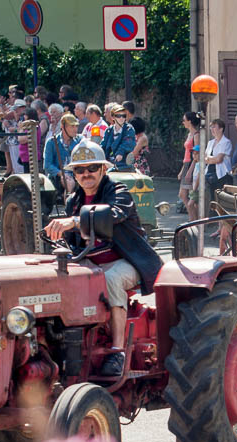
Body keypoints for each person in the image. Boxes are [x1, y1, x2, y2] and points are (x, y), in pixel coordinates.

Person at [43, 140, 163, 377]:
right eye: (79, 170)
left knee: (111, 279)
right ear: (74, 174)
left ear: (103, 169)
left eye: (92, 168)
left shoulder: (118, 192)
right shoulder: (73, 201)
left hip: (128, 262)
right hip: (92, 263)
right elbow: (73, 242)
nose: (86, 174)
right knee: (61, 278)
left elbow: (113, 215)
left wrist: (75, 221)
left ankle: (117, 351)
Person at [43, 113, 82, 198]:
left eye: (76, 126)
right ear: (63, 127)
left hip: (77, 174)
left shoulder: (80, 141)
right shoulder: (51, 142)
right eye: (72, 126)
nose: (75, 129)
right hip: (57, 177)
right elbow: (47, 165)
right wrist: (61, 173)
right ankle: (69, 206)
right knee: (68, 181)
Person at [203, 118, 233, 220]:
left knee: (223, 202)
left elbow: (219, 159)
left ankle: (223, 228)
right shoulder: (210, 143)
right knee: (213, 201)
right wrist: (211, 159)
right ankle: (217, 226)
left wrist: (209, 159)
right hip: (210, 174)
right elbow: (204, 158)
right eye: (211, 127)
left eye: (214, 127)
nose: (212, 129)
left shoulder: (226, 142)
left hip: (222, 175)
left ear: (221, 129)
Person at [177, 111, 201, 213]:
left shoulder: (196, 135)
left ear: (190, 121)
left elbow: (196, 155)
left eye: (184, 120)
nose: (183, 122)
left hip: (192, 165)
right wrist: (182, 170)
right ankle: (193, 218)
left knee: (188, 195)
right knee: (184, 195)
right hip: (186, 164)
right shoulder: (189, 134)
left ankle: (193, 219)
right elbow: (186, 154)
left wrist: (190, 170)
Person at [100, 104, 136, 170]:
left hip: (124, 164)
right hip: (108, 163)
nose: (122, 118)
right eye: (119, 116)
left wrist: (120, 153)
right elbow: (103, 145)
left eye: (124, 116)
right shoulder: (109, 130)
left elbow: (128, 142)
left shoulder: (129, 129)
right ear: (113, 117)